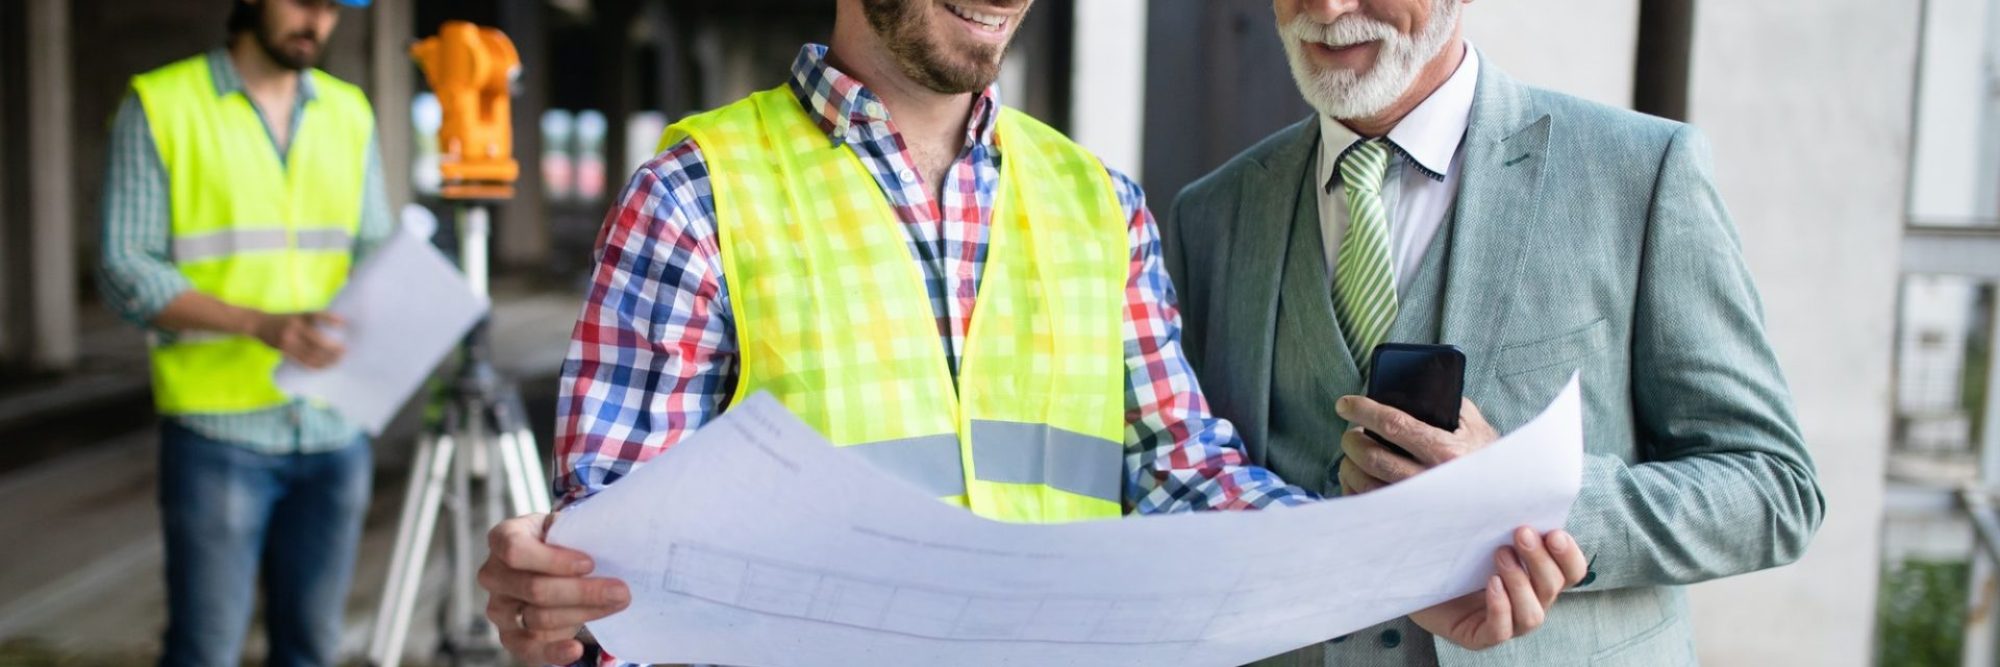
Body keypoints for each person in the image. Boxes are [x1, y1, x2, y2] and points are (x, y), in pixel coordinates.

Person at [475, 0, 1589, 664]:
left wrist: (1399, 570)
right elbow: (615, 572)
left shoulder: (1097, 201)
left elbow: (1177, 477)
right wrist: (558, 619)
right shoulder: (694, 195)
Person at [1162, 0, 1827, 664]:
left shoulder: (1640, 173)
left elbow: (1774, 487)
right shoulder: (1212, 215)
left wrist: (1527, 499)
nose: (1330, 8)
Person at [96, 0, 387, 664]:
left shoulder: (350, 111)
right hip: (219, 431)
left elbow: (373, 248)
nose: (316, 19)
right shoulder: (163, 104)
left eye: (332, 7)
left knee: (312, 647)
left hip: (334, 427)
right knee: (206, 649)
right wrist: (259, 324)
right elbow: (124, 269)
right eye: (301, 2)